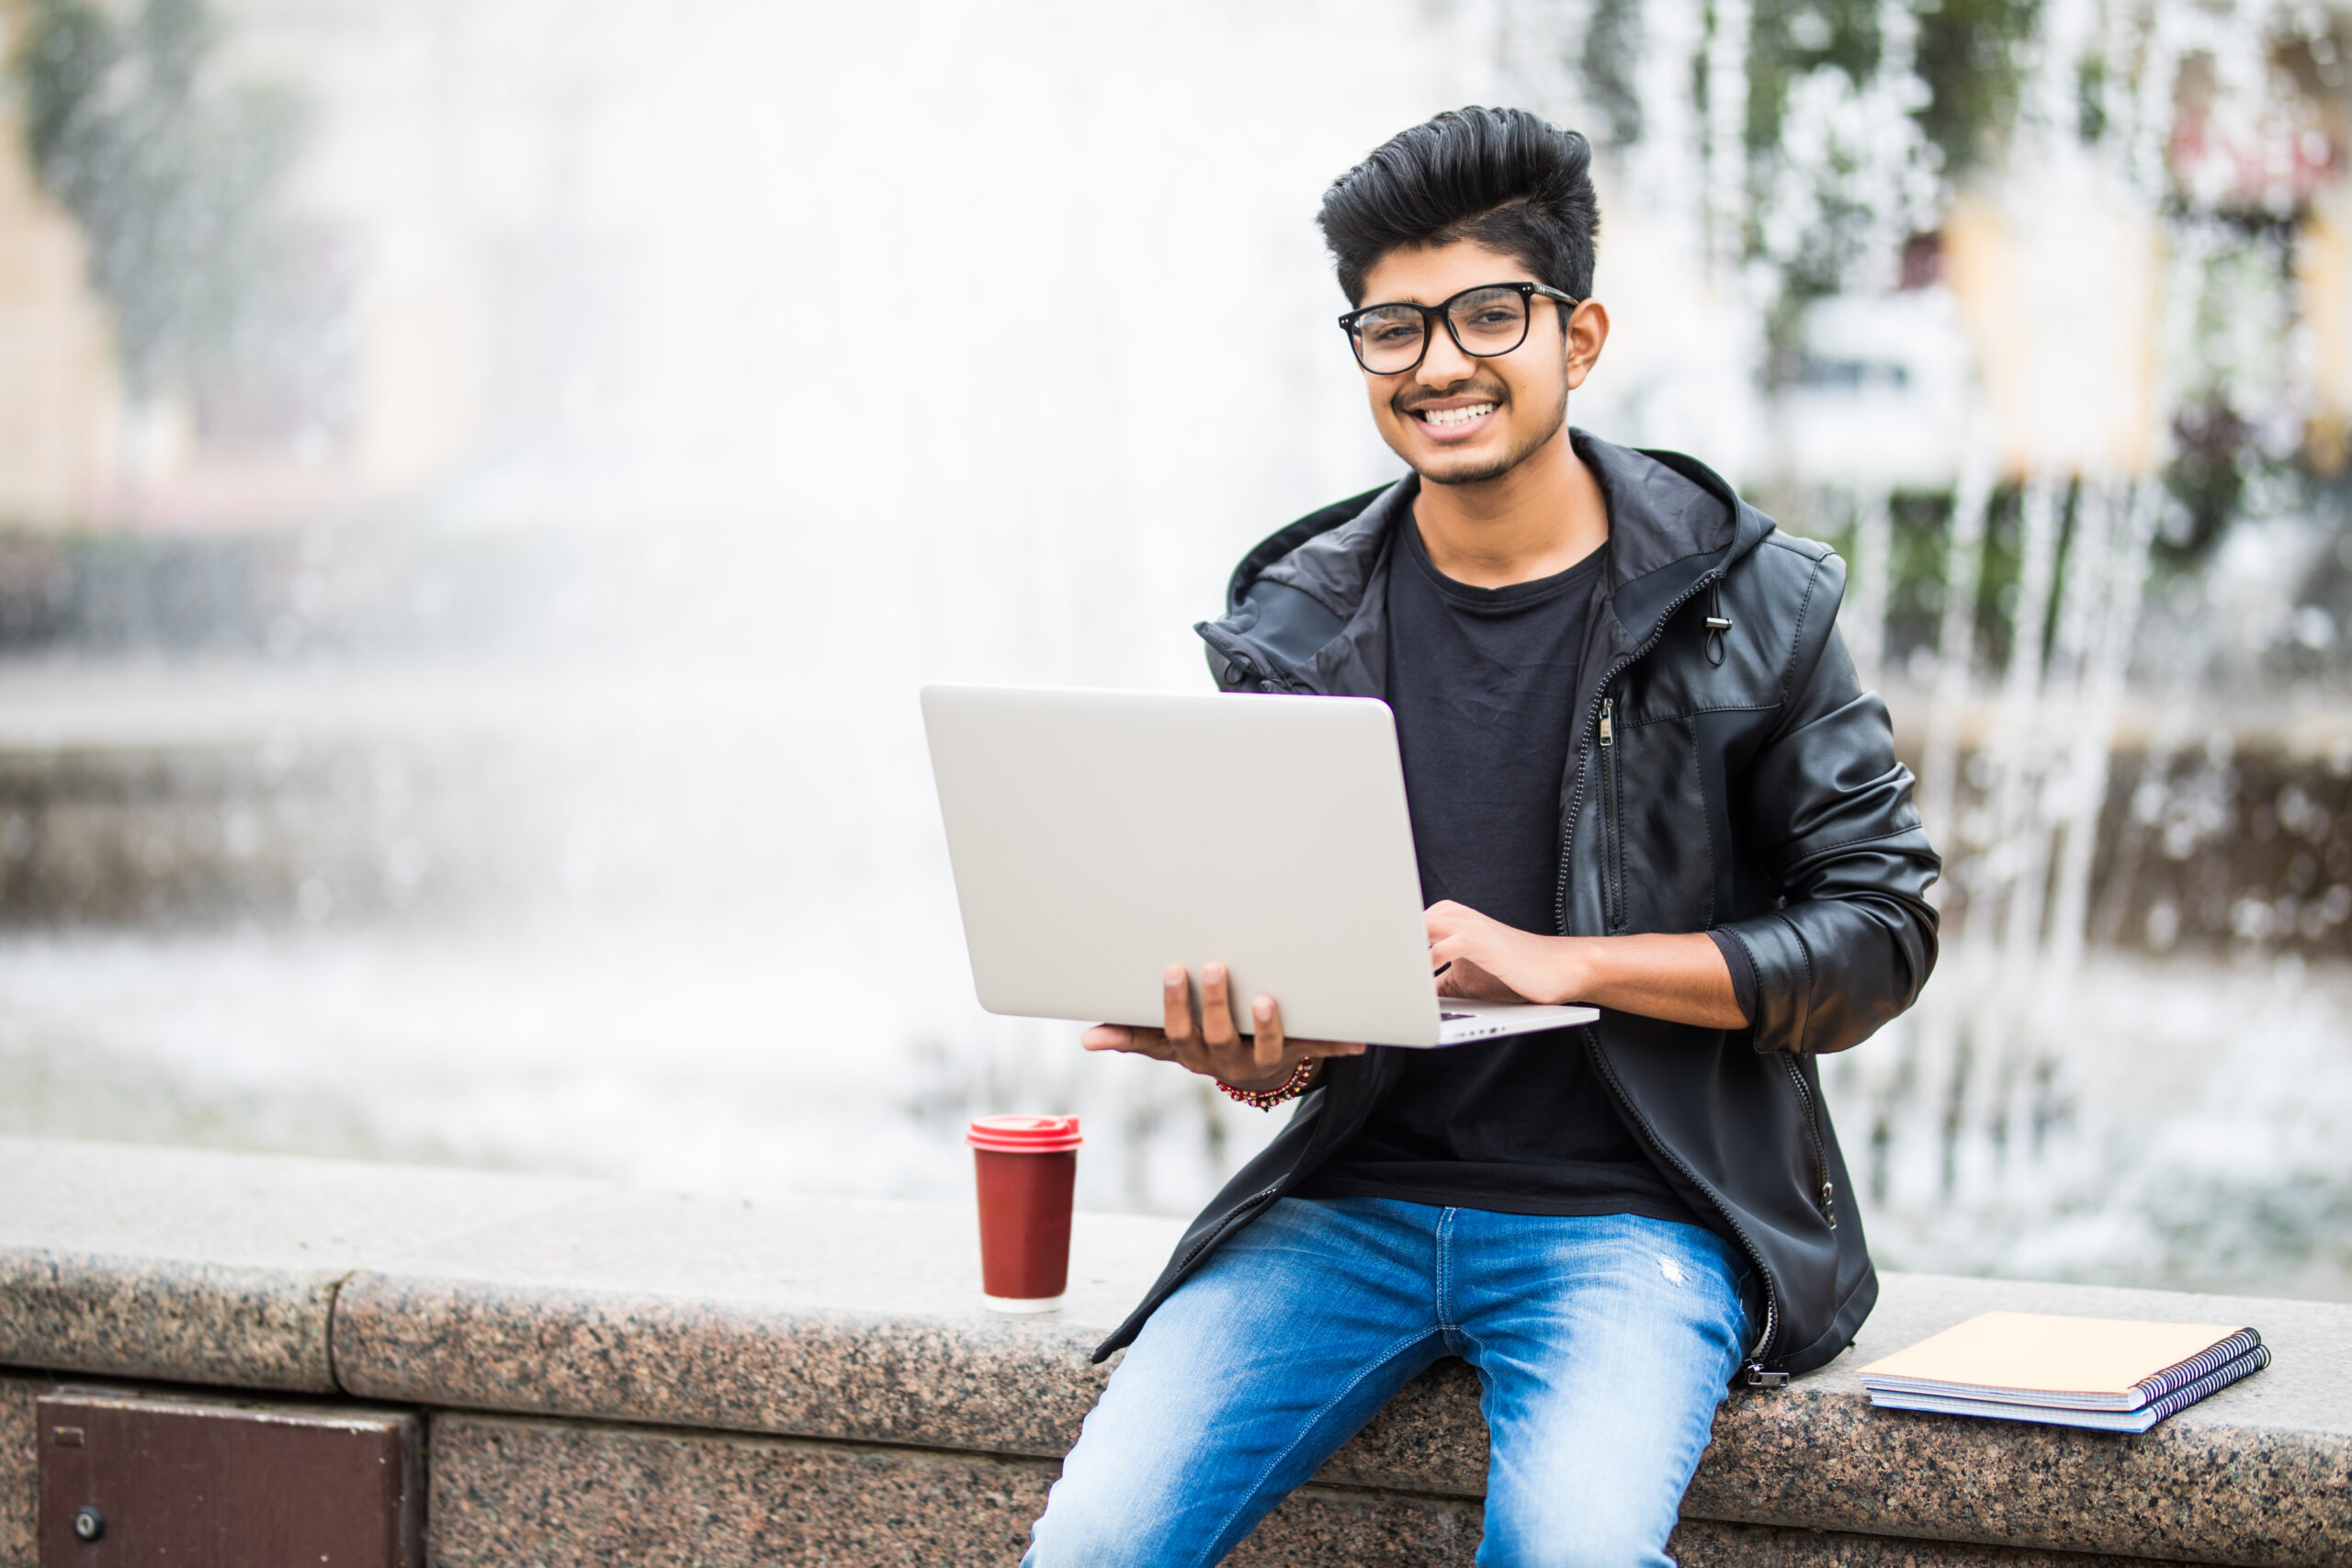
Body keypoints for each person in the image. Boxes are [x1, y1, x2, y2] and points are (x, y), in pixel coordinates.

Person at [1023, 107, 1939, 1568]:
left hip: (1639, 1223)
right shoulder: (1295, 621)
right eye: (1393, 329)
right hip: (1348, 1209)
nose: (1439, 363)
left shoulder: (1753, 600)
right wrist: (1267, 1054)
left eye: (1487, 316)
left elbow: (1880, 937)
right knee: (1091, 1550)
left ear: (1579, 338)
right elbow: (1316, 1007)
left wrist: (1562, 961)